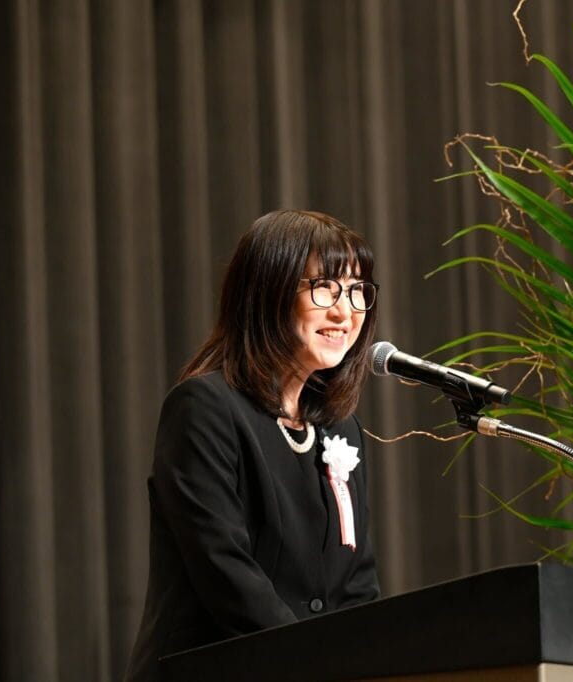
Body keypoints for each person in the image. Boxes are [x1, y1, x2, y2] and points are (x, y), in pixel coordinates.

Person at [125, 210, 381, 681]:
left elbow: (357, 588)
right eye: (325, 287)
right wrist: (320, 668)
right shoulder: (203, 409)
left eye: (357, 290)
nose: (345, 312)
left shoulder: (339, 430)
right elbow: (227, 575)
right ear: (268, 291)